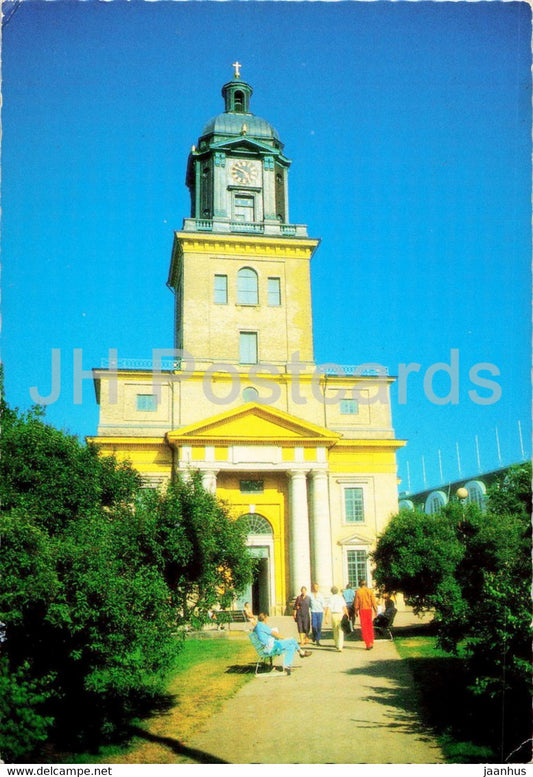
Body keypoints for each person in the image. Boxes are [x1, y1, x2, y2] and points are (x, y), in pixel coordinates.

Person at [355, 580, 378, 650]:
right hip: (369, 610)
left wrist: (356, 611)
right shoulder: (370, 591)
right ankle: (371, 641)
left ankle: (368, 644)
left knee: (364, 627)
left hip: (362, 610)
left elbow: (356, 602)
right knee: (369, 626)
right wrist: (375, 610)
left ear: (359, 584)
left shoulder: (358, 591)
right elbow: (373, 601)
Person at [327, 586, 349, 652]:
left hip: (334, 615)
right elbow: (344, 607)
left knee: (335, 630)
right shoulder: (340, 597)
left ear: (331, 591)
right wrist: (347, 614)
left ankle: (337, 644)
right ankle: (340, 646)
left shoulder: (330, 598)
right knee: (341, 630)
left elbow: (328, 608)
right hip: (340, 614)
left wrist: (326, 617)